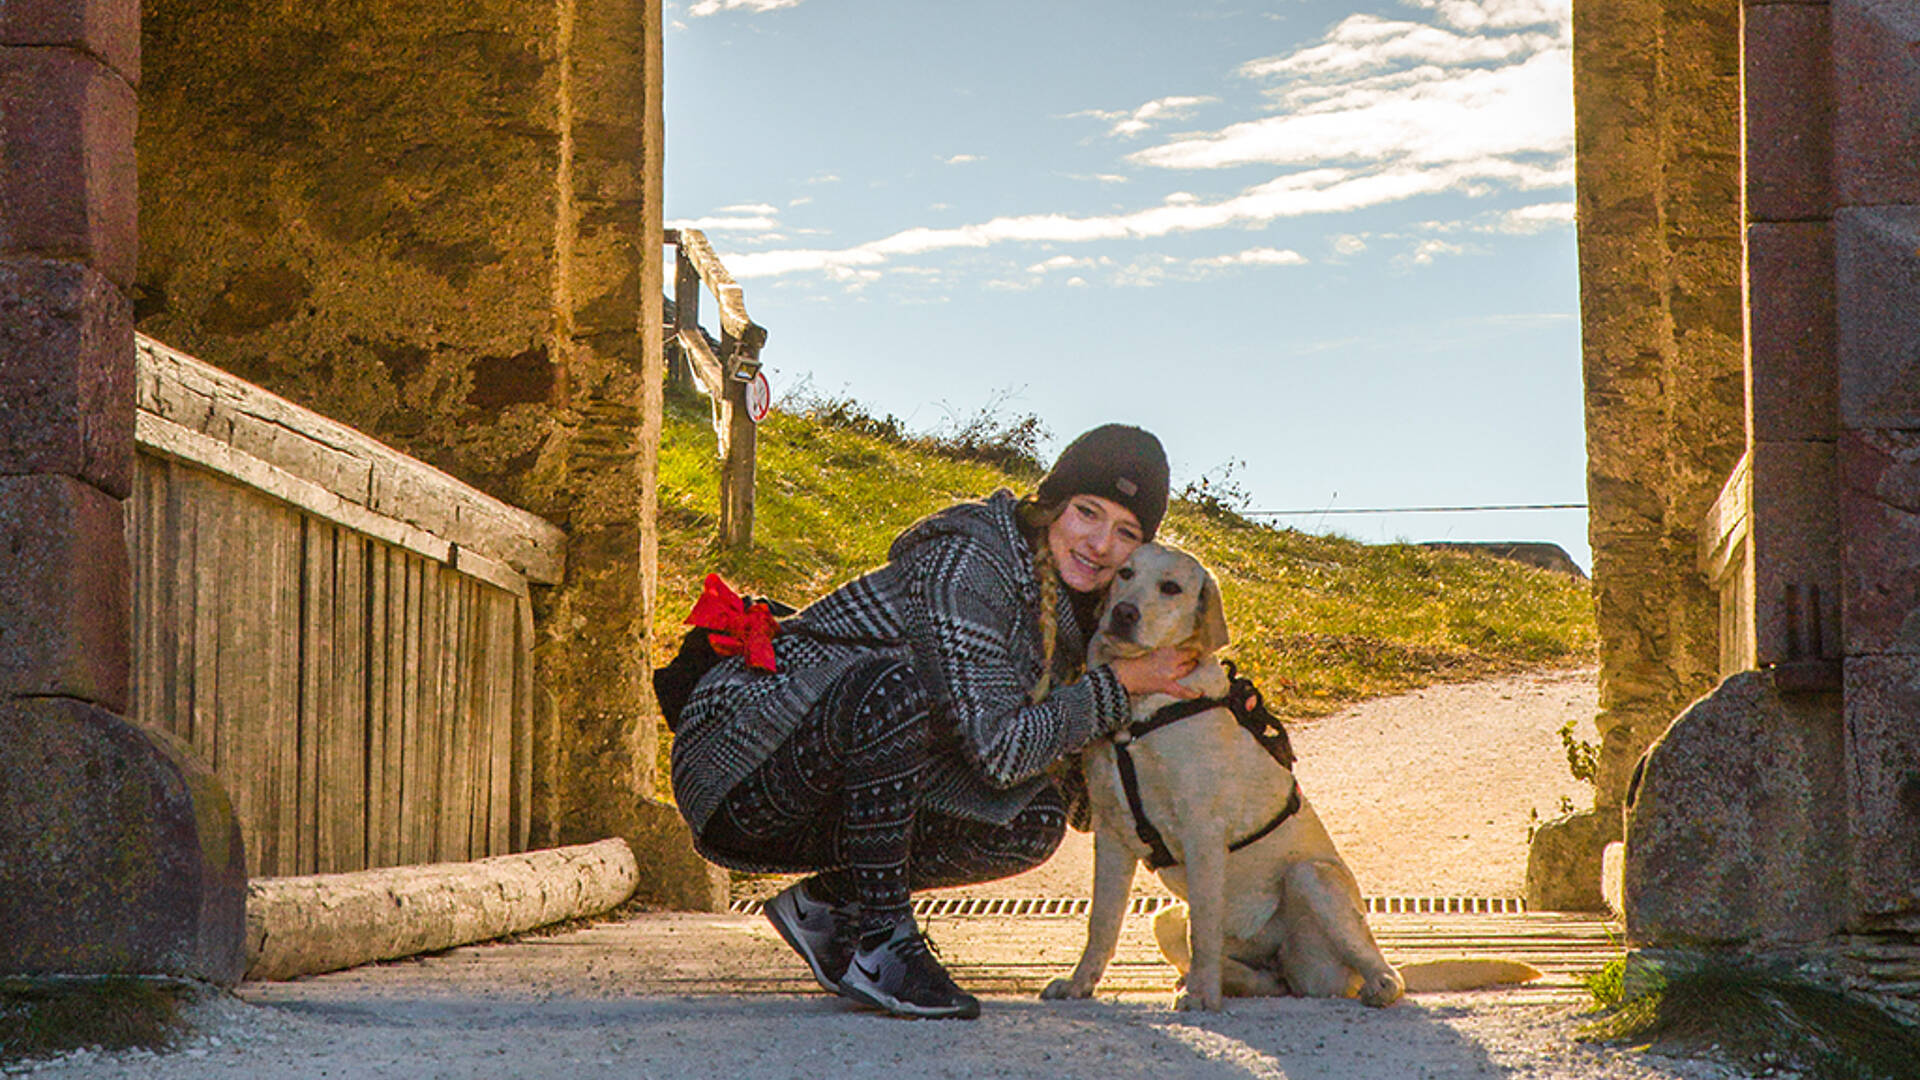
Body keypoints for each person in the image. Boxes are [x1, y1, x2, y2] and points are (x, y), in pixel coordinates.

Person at [669, 423, 1198, 1019]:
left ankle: (827, 907)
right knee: (892, 690)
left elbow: (1079, 804)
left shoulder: (1074, 624)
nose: (1100, 543)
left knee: (1033, 817)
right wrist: (1117, 687)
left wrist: (1177, 716)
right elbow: (1000, 750)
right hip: (743, 757)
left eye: (1125, 532)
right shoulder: (970, 561)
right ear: (1052, 506)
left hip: (828, 783)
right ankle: (883, 943)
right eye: (1087, 512)